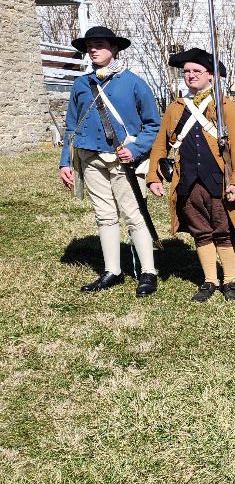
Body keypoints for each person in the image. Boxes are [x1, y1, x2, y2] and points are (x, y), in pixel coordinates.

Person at [59, 26, 161, 297]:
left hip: (124, 159)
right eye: (90, 45)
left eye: (100, 44)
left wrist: (137, 149)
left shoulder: (134, 82)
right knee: (104, 215)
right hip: (89, 157)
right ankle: (112, 270)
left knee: (134, 215)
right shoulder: (82, 84)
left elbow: (153, 124)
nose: (94, 49)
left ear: (114, 49)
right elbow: (71, 126)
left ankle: (149, 272)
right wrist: (64, 163)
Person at [146, 48, 235, 302]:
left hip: (218, 179)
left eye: (197, 71)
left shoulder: (225, 106)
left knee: (224, 230)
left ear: (210, 76)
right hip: (187, 181)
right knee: (200, 230)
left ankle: (229, 280)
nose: (191, 76)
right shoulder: (175, 108)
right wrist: (153, 176)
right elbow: (161, 144)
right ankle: (209, 280)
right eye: (187, 72)